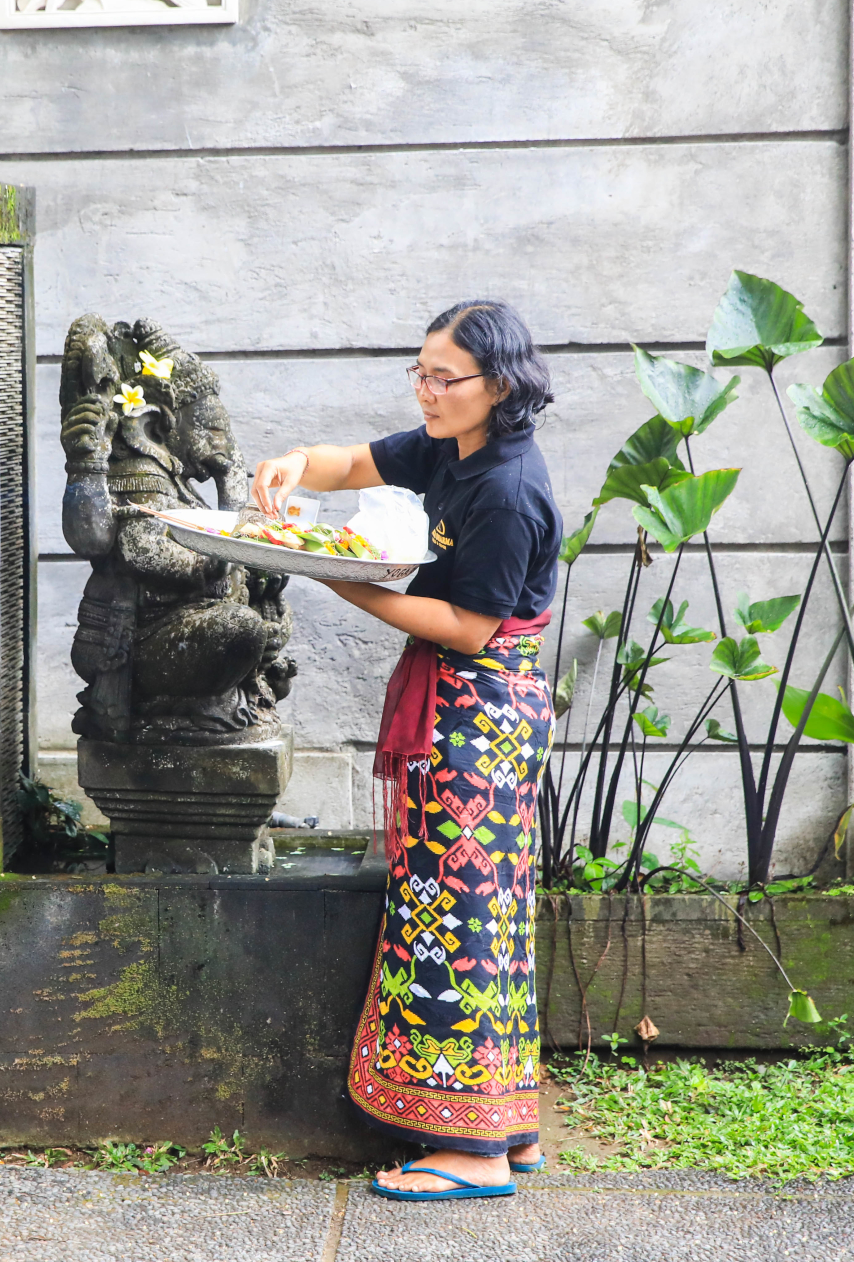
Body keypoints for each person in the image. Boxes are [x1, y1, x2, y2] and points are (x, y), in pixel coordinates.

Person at [252, 300, 560, 1201]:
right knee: (485, 914)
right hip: (461, 712)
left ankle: (472, 1153)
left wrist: (332, 571)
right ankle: (513, 1126)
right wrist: (295, 465)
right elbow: (351, 464)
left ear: (497, 386)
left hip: (482, 712)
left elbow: (467, 628)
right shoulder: (449, 446)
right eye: (419, 372)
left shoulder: (507, 487)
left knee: (459, 917)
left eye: (444, 377)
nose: (426, 390)